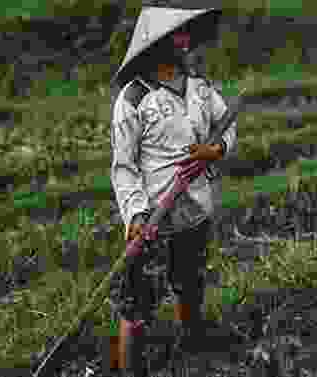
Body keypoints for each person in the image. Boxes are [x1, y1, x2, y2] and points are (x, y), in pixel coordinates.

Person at [108, 3, 236, 376]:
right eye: (173, 34)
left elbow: (227, 125)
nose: (182, 39)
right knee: (137, 303)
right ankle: (132, 369)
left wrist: (216, 149)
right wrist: (136, 215)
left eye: (184, 32)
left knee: (190, 281)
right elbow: (124, 167)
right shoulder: (134, 98)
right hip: (153, 219)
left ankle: (194, 346)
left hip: (194, 208)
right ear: (153, 44)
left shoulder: (200, 87)